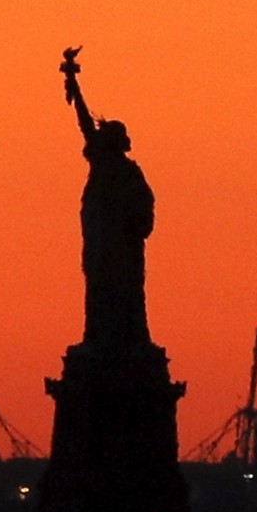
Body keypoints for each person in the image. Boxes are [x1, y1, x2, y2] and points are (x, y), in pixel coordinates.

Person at [60, 48, 155, 356]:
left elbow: (145, 211)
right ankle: (100, 337)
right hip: (103, 240)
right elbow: (85, 123)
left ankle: (126, 338)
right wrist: (74, 85)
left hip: (121, 245)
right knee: (100, 284)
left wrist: (135, 222)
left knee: (124, 288)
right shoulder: (108, 165)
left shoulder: (126, 172)